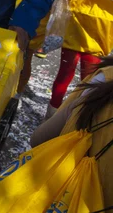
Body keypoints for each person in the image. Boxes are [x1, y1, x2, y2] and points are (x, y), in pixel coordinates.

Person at [30, 57, 113, 207]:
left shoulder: (104, 80)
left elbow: (38, 140)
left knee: (65, 71)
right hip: (94, 43)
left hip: (62, 198)